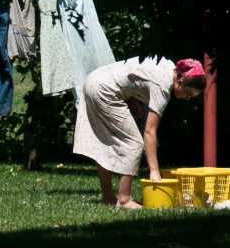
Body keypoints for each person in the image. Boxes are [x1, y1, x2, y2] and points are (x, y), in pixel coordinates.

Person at [72, 56, 207, 209]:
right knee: (135, 142)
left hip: (94, 80)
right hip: (103, 89)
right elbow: (149, 132)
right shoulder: (162, 87)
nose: (187, 99)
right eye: (188, 94)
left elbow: (134, 75)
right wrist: (154, 171)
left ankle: (108, 196)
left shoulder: (168, 67)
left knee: (107, 140)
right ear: (180, 81)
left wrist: (132, 99)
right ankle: (124, 200)